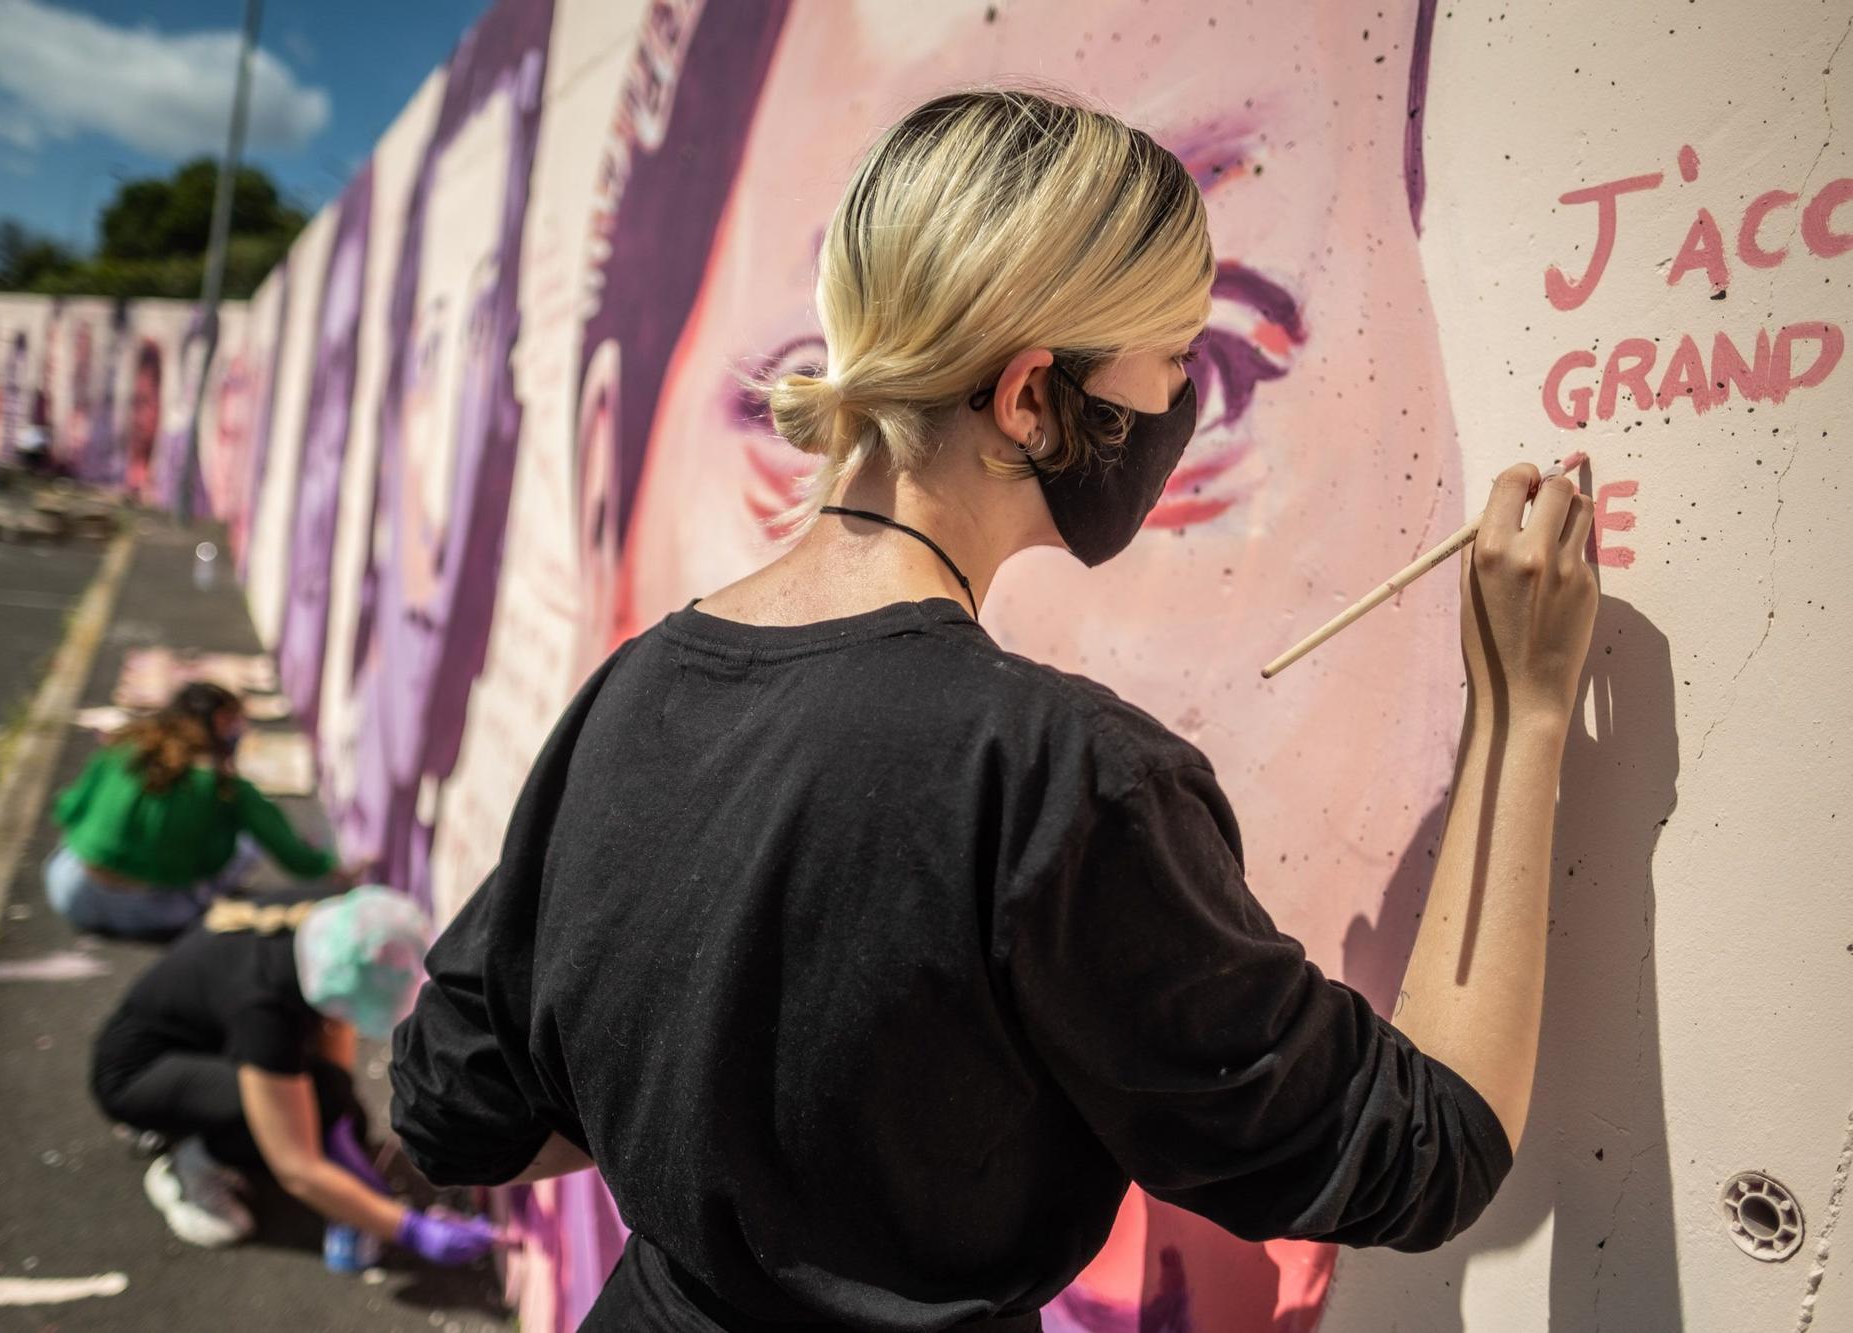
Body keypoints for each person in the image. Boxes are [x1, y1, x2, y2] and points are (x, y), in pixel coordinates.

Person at [392, 89, 1597, 1329]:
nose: (1179, 400)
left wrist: (710, 1113)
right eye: (1180, 359)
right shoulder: (1056, 777)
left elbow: (454, 1111)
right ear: (1031, 400)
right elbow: (1432, 1149)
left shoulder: (634, 690)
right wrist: (1521, 709)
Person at [90, 886, 496, 1265]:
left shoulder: (331, 924)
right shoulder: (263, 1010)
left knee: (330, 1107)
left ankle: (204, 1127)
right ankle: (189, 1166)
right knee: (269, 1124)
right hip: (133, 1077)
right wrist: (408, 1229)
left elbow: (334, 1049)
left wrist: (337, 1122)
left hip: (197, 1042)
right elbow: (296, 1167)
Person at [46, 682, 347, 939]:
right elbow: (292, 857)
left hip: (69, 891)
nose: (242, 732)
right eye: (237, 722)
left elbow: (67, 810)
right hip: (151, 915)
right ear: (219, 721)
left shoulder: (122, 746)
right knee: (248, 845)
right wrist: (330, 866)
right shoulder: (224, 785)